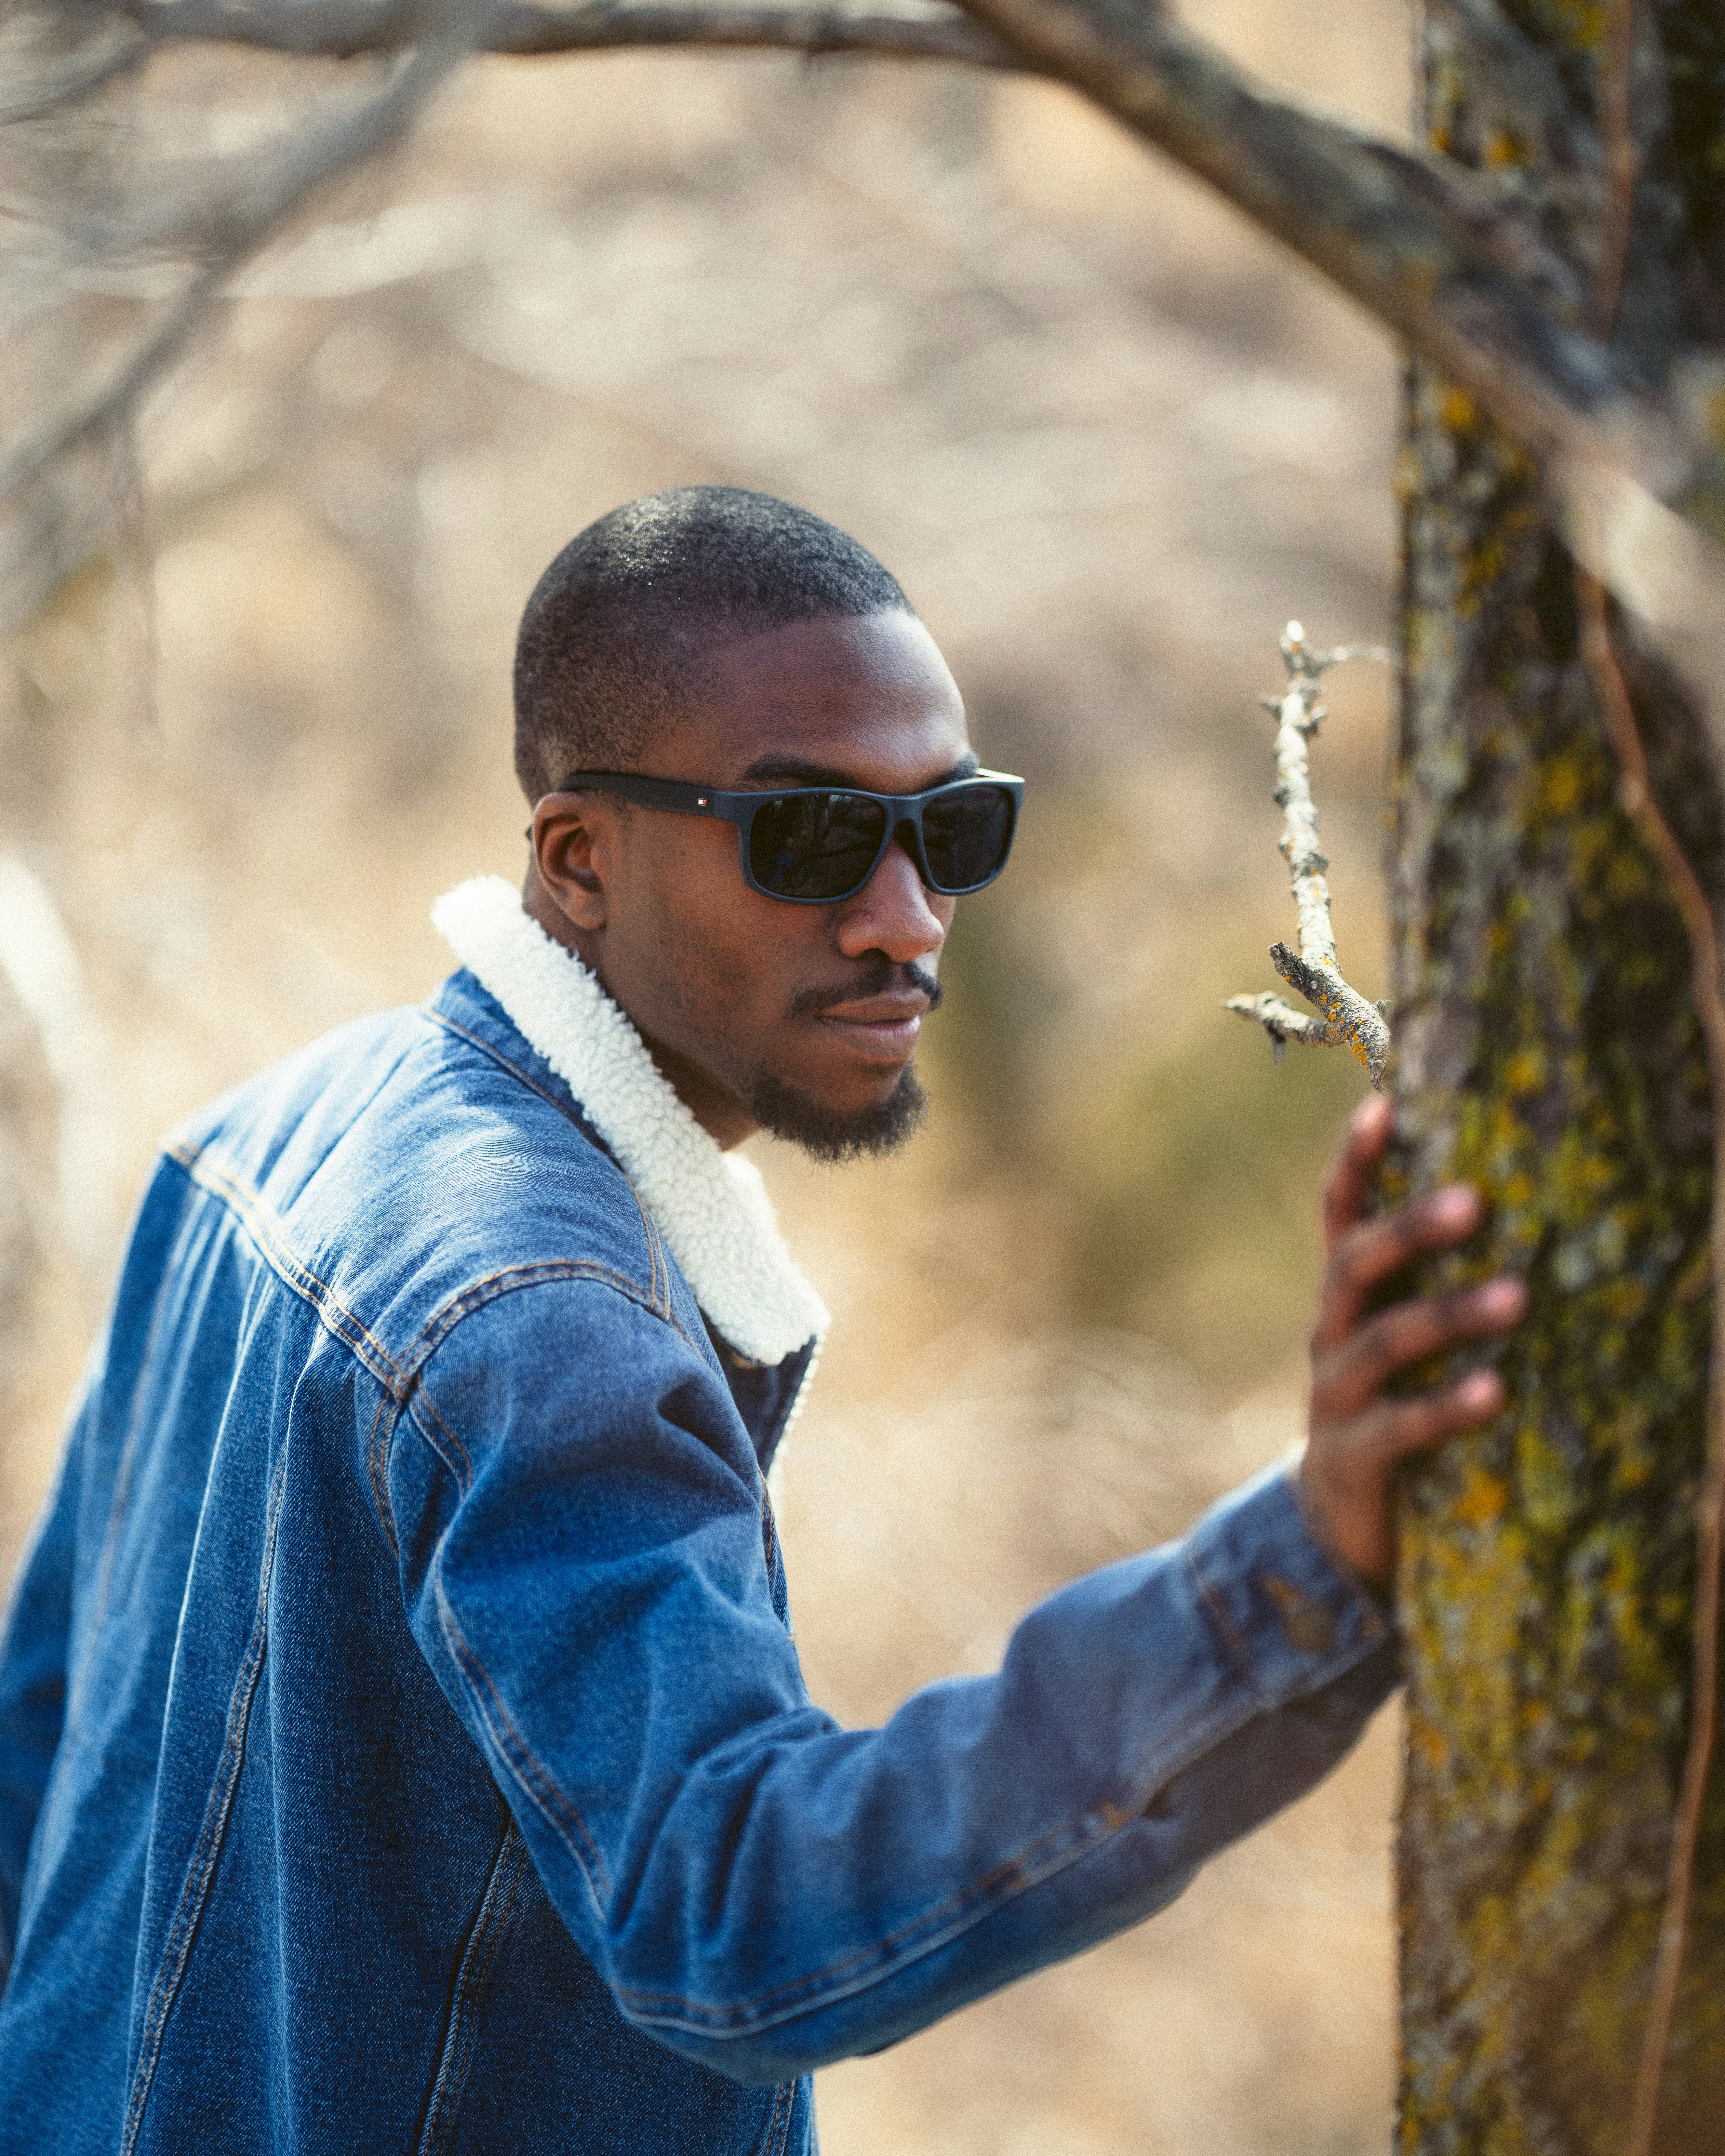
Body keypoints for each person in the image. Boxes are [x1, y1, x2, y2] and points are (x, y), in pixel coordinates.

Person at [0, 488, 1524, 2154]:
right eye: (807, 839)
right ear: (578, 858)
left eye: (953, 829)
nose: (906, 917)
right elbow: (744, 1910)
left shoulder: (264, 1134)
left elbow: (41, 1768)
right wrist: (1292, 1570)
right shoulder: (543, 1317)